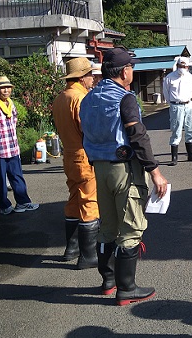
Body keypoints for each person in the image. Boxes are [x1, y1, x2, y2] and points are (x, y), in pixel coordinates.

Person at [80, 47, 168, 306]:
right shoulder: (125, 98)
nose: (133, 70)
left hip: (99, 167)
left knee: (107, 227)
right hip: (123, 169)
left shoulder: (89, 98)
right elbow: (138, 136)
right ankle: (127, 288)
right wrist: (155, 172)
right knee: (131, 226)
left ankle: (109, 282)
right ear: (125, 71)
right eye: (131, 67)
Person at [52, 58, 99, 269]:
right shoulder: (81, 98)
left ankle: (72, 249)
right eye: (90, 75)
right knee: (89, 201)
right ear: (81, 77)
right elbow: (87, 129)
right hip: (83, 154)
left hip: (69, 154)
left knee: (73, 199)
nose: (93, 78)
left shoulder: (60, 98)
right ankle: (88, 256)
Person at [0, 76, 39, 216]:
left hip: (12, 148)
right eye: (3, 88)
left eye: (8, 87)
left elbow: (13, 123)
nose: (6, 90)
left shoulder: (11, 104)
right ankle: (4, 205)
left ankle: (22, 202)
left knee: (17, 176)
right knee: (0, 180)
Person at [162, 56, 192, 166]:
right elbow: (166, 93)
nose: (182, 68)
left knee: (190, 128)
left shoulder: (189, 76)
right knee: (176, 130)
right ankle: (174, 157)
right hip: (176, 105)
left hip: (188, 104)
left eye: (184, 66)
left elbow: (191, 90)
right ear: (177, 66)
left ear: (187, 67)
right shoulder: (169, 77)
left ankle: (191, 154)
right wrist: (172, 104)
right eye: (180, 66)